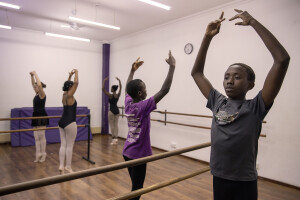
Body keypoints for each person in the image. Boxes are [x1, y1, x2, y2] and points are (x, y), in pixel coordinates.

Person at [191, 10, 290, 200]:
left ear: (250, 85)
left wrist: (253, 22)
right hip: (219, 176)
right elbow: (197, 73)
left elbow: (282, 60)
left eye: (237, 77)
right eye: (227, 77)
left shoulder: (256, 107)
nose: (229, 81)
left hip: (244, 181)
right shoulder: (217, 102)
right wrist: (207, 38)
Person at [123, 50, 176, 200]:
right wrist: (172, 67)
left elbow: (128, 87)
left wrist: (131, 70)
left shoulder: (128, 103)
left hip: (127, 152)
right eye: (145, 89)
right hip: (138, 155)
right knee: (137, 189)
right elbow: (164, 90)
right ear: (140, 93)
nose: (147, 91)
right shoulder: (143, 106)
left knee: (135, 187)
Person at [58, 69, 79, 173]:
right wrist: (77, 73)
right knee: (70, 145)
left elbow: (68, 84)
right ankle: (68, 166)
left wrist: (70, 76)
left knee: (63, 144)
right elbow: (76, 83)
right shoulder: (70, 95)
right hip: (70, 122)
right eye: (72, 86)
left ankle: (61, 165)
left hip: (61, 122)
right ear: (70, 87)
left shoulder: (64, 95)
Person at [30, 71, 49, 163]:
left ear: (39, 86)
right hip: (35, 116)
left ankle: (43, 154)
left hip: (41, 116)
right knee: (36, 137)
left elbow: (39, 85)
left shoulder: (42, 94)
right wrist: (31, 76)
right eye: (34, 87)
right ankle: (38, 154)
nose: (34, 88)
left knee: (41, 136)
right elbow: (33, 83)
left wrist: (36, 73)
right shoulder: (36, 94)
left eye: (35, 86)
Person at [102, 76, 122, 145]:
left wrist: (104, 80)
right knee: (116, 125)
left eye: (111, 88)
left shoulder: (110, 95)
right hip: (117, 110)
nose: (110, 89)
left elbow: (103, 89)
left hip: (111, 111)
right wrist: (119, 81)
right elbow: (121, 88)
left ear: (113, 89)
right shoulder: (118, 95)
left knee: (112, 125)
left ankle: (113, 139)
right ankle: (116, 138)